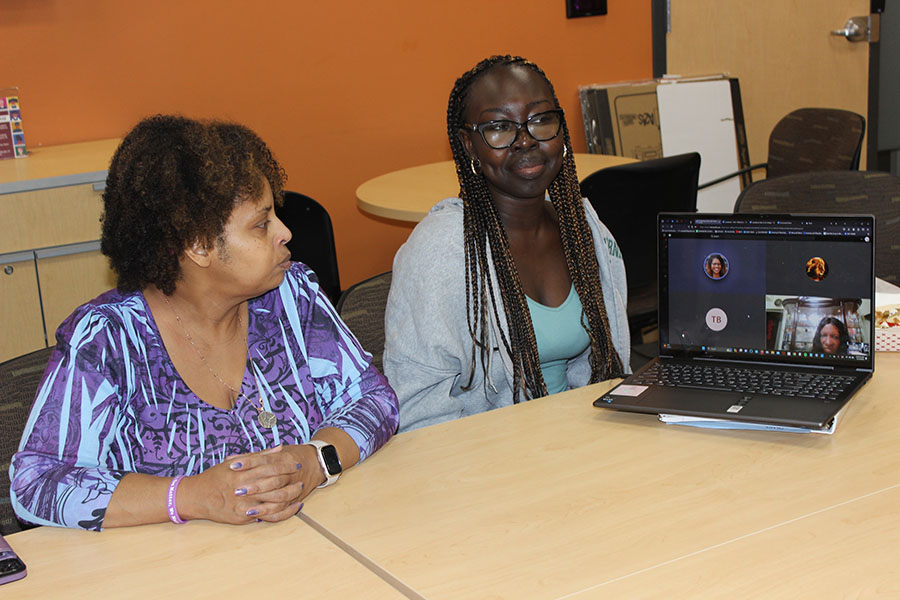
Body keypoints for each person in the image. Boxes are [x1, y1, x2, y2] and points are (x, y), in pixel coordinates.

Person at [10, 115, 399, 530]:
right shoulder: (109, 340)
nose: (285, 232)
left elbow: (375, 399)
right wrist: (192, 496)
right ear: (197, 245)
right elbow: (36, 483)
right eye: (261, 223)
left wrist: (316, 460)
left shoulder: (289, 296)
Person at [384, 56, 630, 432]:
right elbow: (419, 411)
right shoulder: (441, 251)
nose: (526, 140)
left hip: (583, 441)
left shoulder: (586, 231)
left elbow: (608, 372)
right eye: (500, 127)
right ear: (468, 145)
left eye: (540, 120)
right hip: (488, 460)